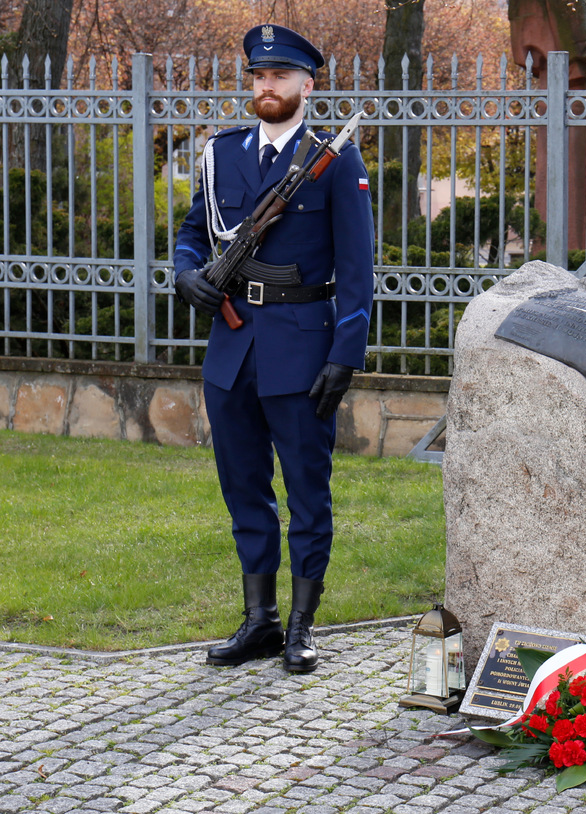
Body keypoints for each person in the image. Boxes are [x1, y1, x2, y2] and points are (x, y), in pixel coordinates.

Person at [173, 24, 375, 673]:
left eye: (281, 76)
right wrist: (185, 276)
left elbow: (358, 268)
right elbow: (189, 233)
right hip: (232, 349)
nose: (267, 85)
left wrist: (346, 353)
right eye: (259, 76)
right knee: (243, 490)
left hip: (302, 349)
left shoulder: (334, 161)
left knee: (307, 494)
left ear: (306, 86)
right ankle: (258, 620)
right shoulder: (221, 153)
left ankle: (301, 626)